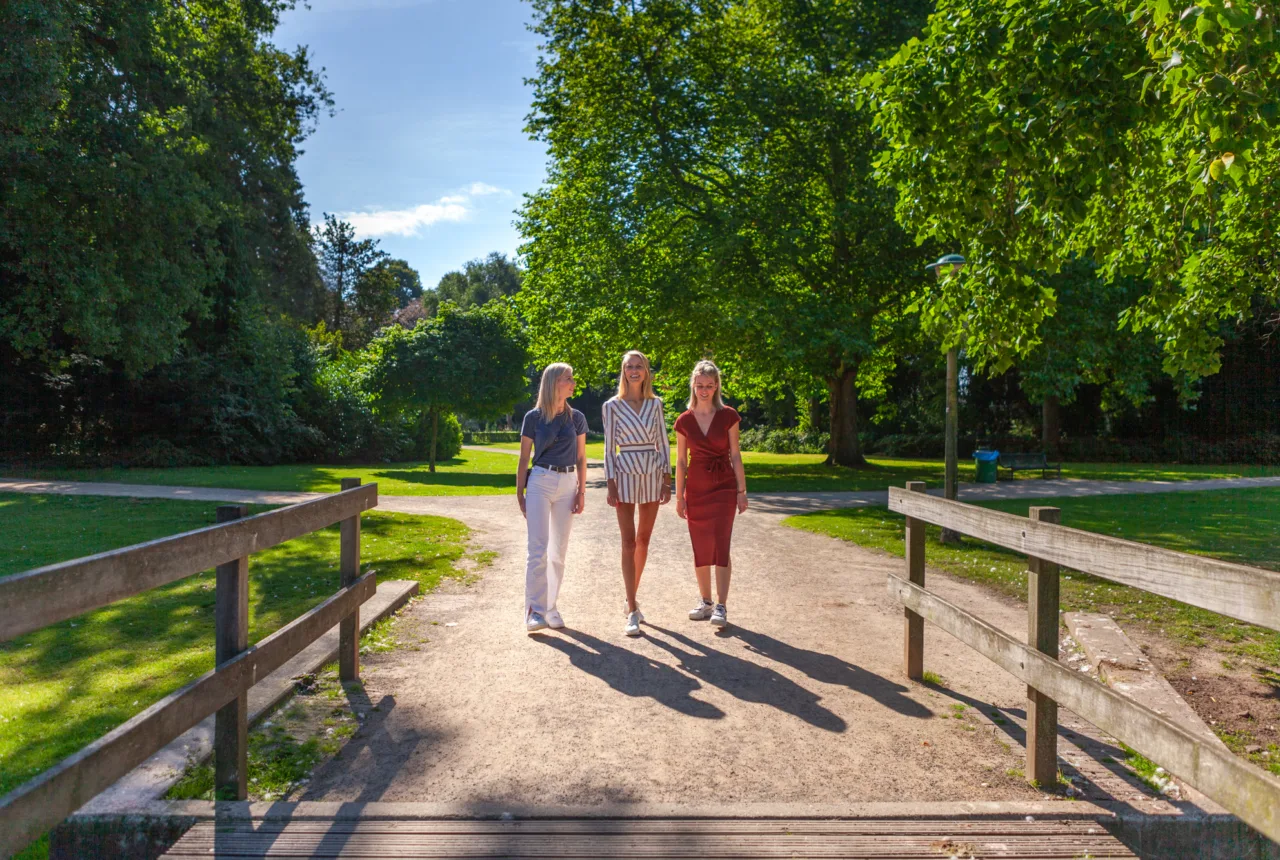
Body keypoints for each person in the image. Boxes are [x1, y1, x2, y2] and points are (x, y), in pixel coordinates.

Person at [674, 359, 747, 628]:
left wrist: (742, 491)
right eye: (700, 385)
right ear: (693, 385)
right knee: (700, 545)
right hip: (697, 488)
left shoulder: (728, 415)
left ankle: (721, 605)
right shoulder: (684, 420)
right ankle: (705, 602)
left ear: (716, 386)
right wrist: (679, 497)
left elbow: (736, 455)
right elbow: (681, 462)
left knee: (721, 543)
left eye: (709, 385)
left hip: (724, 487)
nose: (704, 390)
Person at [603, 350, 672, 637]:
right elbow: (608, 447)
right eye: (629, 366)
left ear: (646, 371)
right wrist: (610, 482)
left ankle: (632, 596)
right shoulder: (612, 406)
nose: (634, 370)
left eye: (638, 366)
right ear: (623, 371)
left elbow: (664, 440)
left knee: (644, 540)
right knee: (628, 542)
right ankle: (632, 608)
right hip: (624, 472)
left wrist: (667, 478)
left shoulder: (656, 404)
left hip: (653, 472)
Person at [517, 363, 588, 633]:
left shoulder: (577, 417)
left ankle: (551, 607)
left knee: (558, 551)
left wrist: (581, 491)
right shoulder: (533, 417)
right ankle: (534, 610)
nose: (573, 383)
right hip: (540, 481)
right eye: (568, 378)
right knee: (537, 549)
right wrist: (519, 492)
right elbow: (524, 458)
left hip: (568, 483)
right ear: (553, 383)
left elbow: (581, 457)